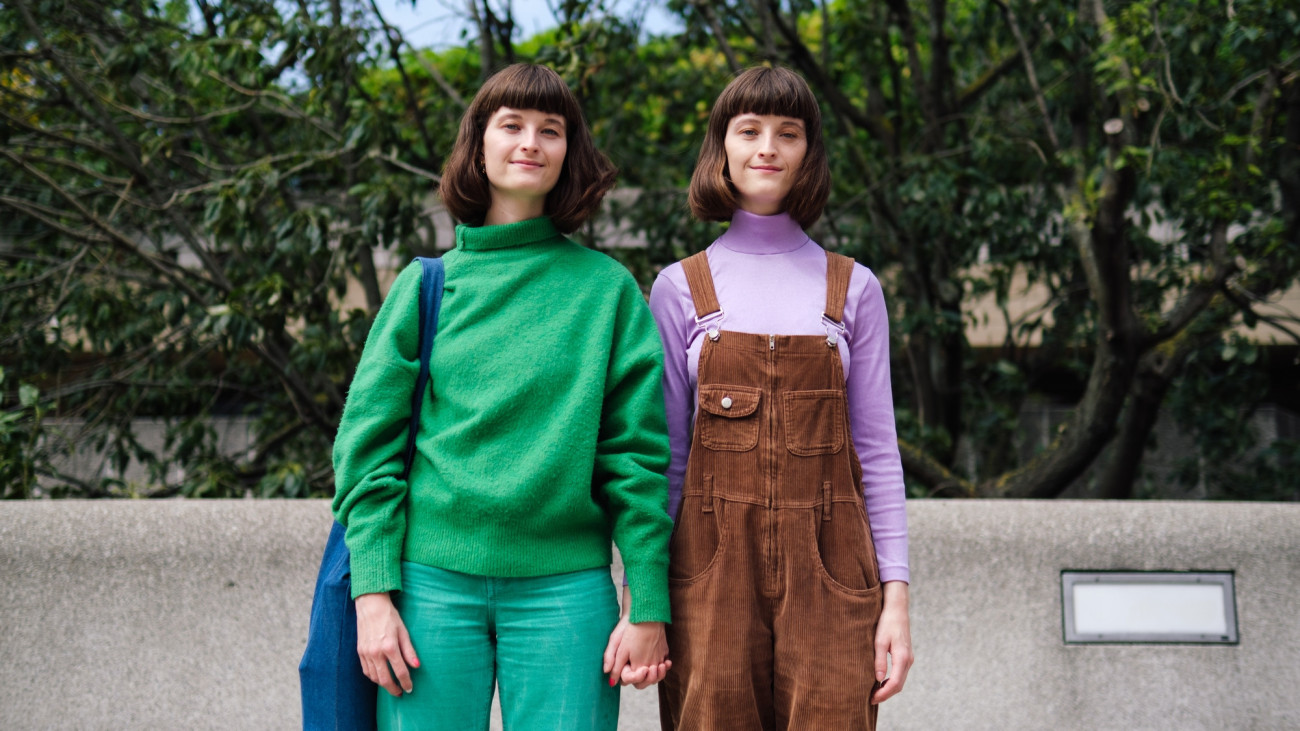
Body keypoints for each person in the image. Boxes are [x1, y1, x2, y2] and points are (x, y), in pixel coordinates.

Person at [331, 63, 673, 731]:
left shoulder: (607, 292)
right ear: (478, 145)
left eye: (551, 130)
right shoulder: (425, 286)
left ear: (568, 154)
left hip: (567, 591)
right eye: (511, 124)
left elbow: (636, 460)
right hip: (428, 586)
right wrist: (372, 595)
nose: (530, 142)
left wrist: (648, 601)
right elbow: (365, 453)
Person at [650, 66, 914, 730]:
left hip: (835, 574)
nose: (768, 146)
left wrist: (896, 603)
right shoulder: (680, 288)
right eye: (750, 130)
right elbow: (667, 461)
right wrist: (646, 595)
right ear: (723, 150)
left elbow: (878, 458)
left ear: (808, 154)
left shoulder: (853, 289)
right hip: (708, 574)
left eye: (787, 132)